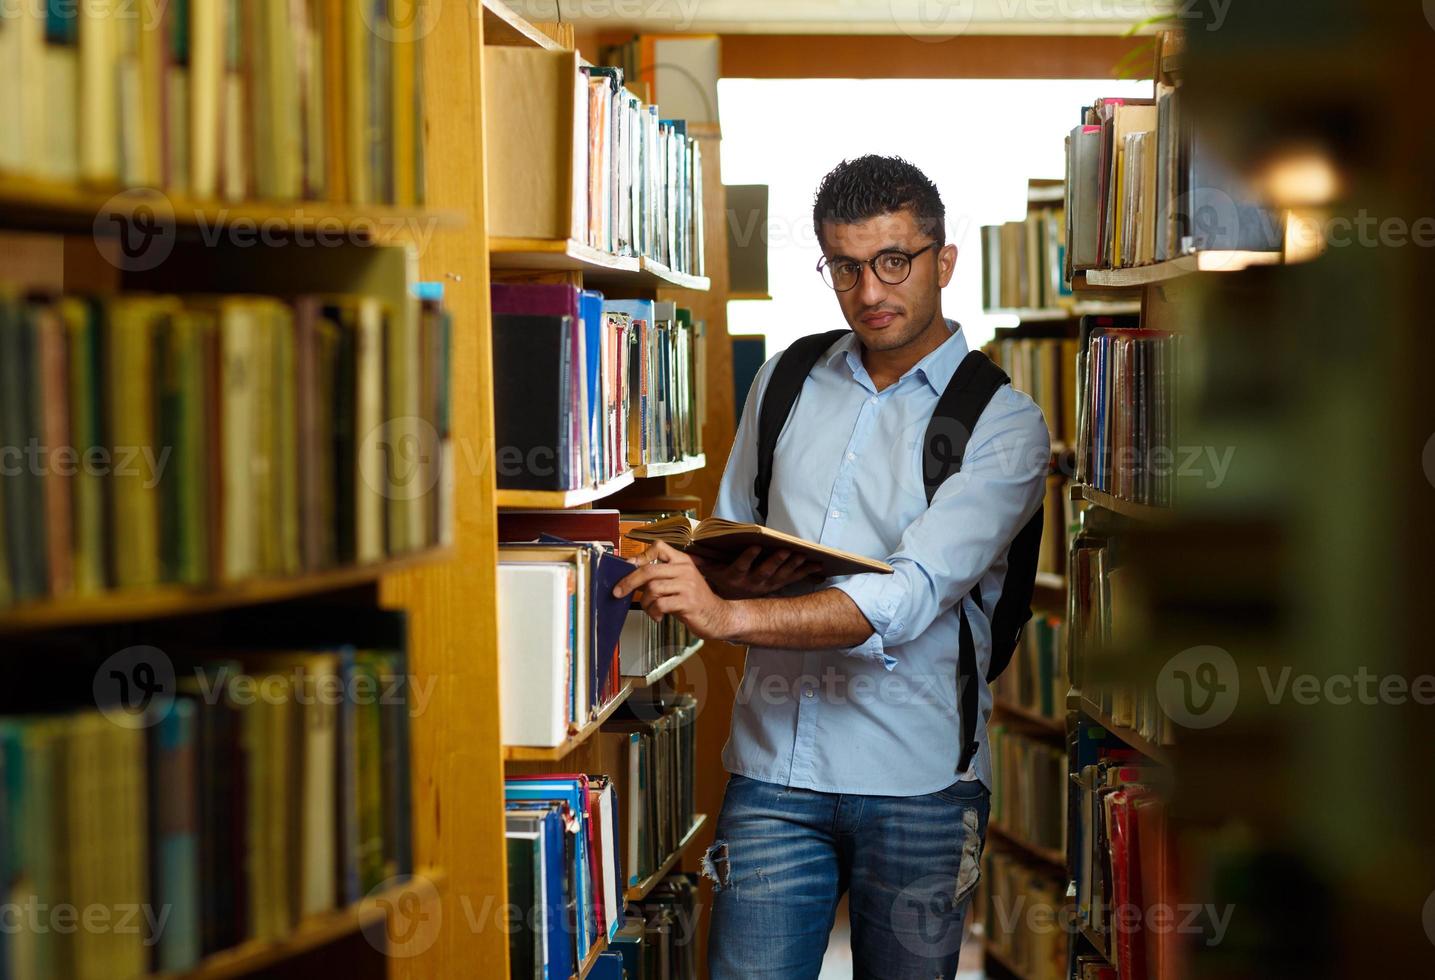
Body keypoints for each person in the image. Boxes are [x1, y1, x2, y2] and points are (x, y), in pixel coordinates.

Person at [614, 155, 1049, 979]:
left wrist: (727, 615)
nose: (870, 292)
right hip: (771, 771)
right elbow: (735, 532)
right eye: (845, 267)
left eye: (894, 261)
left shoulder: (1004, 423)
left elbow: (910, 595)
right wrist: (691, 568)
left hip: (918, 781)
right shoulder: (784, 379)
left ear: (942, 261)